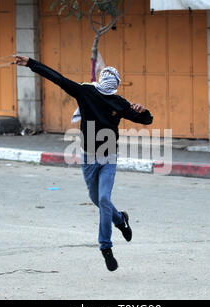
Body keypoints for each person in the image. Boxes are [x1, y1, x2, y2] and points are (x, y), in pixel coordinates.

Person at [15, 55, 153, 272]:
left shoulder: (120, 103)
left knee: (104, 199)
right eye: (107, 79)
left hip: (109, 158)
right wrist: (31, 63)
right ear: (101, 79)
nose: (109, 83)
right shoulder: (86, 91)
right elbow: (58, 79)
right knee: (97, 200)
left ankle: (105, 248)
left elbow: (146, 120)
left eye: (113, 81)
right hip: (89, 157)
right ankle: (121, 221)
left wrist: (143, 111)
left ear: (116, 85)